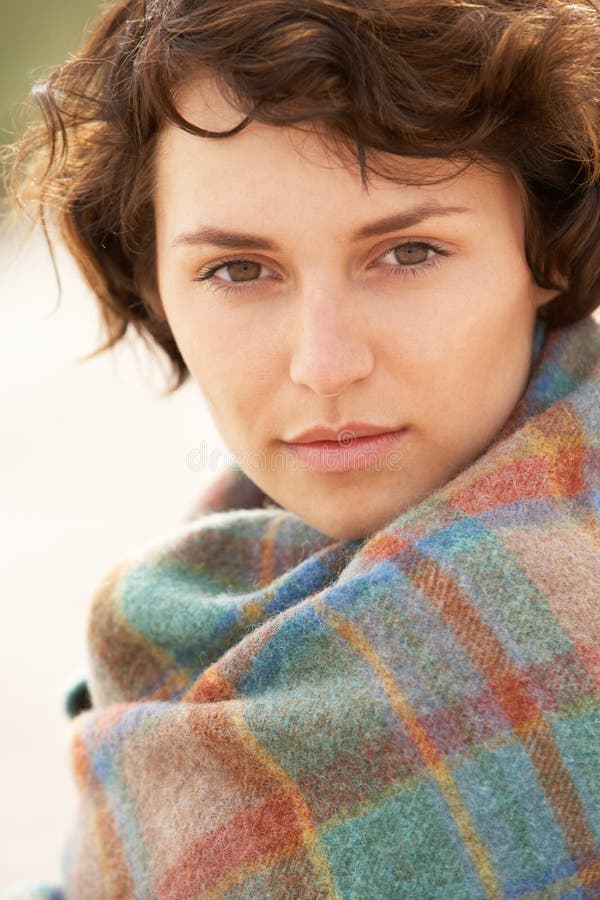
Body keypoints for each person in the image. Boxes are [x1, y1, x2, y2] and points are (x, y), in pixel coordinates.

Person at [5, 0, 600, 896]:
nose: (325, 366)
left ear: (544, 247)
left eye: (408, 252)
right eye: (237, 270)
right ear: (154, 285)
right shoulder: (206, 590)